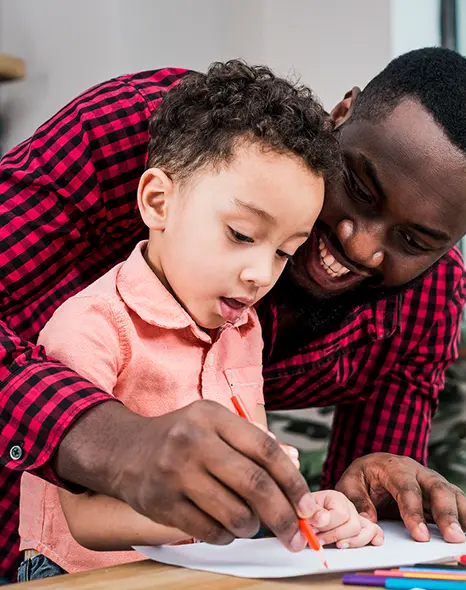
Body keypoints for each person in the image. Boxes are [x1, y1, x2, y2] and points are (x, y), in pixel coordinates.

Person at [0, 47, 466, 583]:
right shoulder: (163, 140)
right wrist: (110, 439)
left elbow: (342, 528)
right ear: (340, 116)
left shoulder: (426, 296)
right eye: (359, 187)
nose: (360, 245)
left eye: (414, 240)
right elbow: (85, 517)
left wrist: (359, 498)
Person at [17, 60, 387, 582]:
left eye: (285, 252)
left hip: (193, 568)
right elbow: (86, 522)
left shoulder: (243, 329)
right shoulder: (91, 327)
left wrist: (309, 509)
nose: (261, 274)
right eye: (240, 234)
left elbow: (252, 469)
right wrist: (230, 508)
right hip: (76, 573)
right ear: (158, 201)